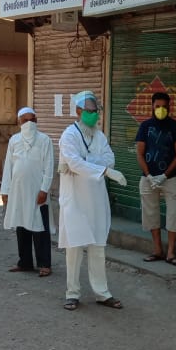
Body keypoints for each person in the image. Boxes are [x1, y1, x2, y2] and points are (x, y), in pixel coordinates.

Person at [57, 90, 127, 311]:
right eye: (89, 111)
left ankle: (102, 293)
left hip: (96, 198)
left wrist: (91, 163)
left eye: (96, 111)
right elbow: (74, 163)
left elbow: (110, 159)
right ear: (78, 111)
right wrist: (102, 169)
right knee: (74, 248)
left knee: (97, 247)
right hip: (75, 199)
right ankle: (72, 293)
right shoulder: (69, 135)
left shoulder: (99, 135)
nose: (94, 115)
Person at [1, 107, 54, 277]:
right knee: (21, 225)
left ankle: (45, 264)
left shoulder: (45, 140)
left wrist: (44, 189)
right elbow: (8, 166)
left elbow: (49, 167)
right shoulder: (14, 140)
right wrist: (5, 190)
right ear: (19, 122)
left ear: (36, 121)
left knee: (40, 227)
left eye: (32, 120)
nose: (29, 124)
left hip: (37, 190)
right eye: (25, 120)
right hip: (18, 191)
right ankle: (25, 262)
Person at [135, 91, 176, 265]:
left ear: (169, 107)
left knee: (173, 214)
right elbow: (140, 154)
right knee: (151, 214)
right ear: (152, 106)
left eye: (164, 107)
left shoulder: (175, 127)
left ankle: (171, 253)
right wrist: (149, 175)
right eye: (158, 106)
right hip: (148, 178)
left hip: (171, 179)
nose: (161, 110)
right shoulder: (144, 126)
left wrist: (164, 175)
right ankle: (157, 250)